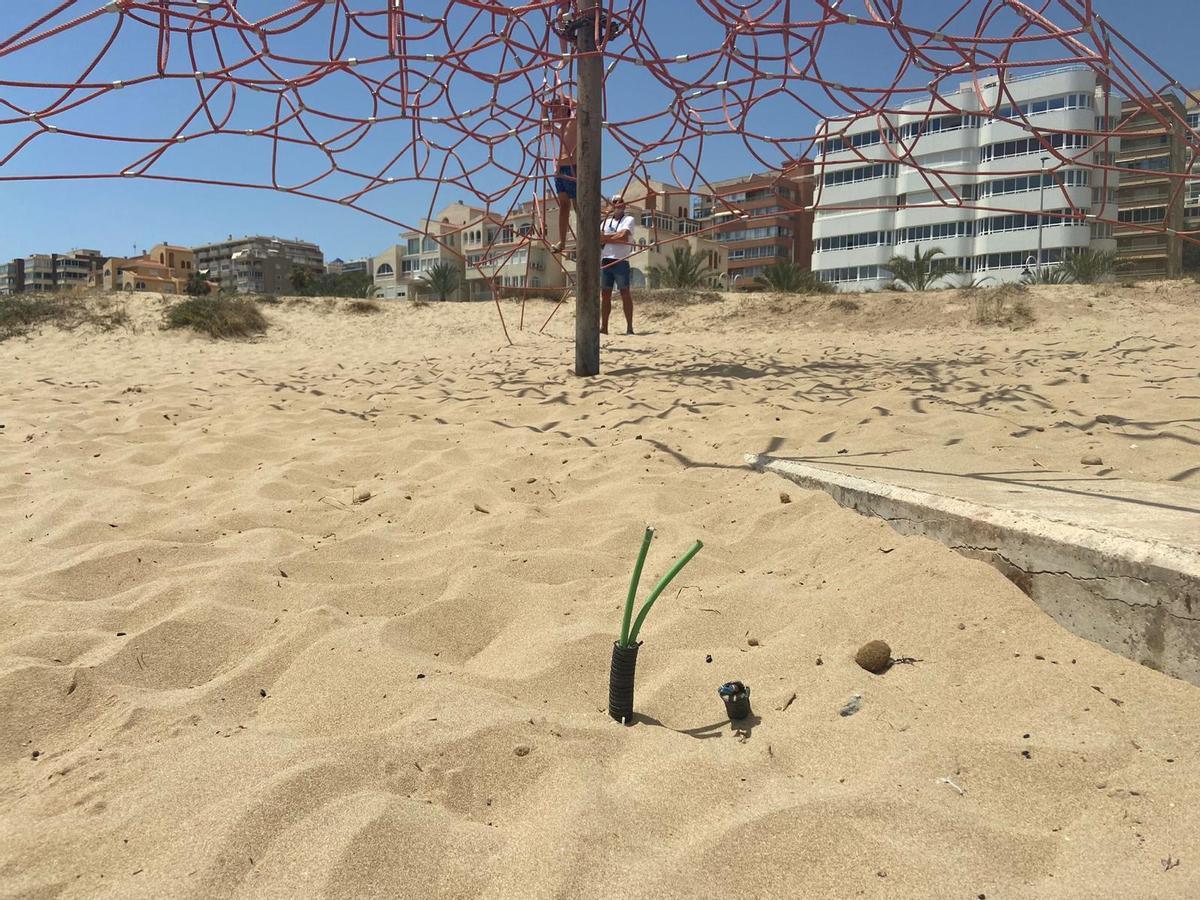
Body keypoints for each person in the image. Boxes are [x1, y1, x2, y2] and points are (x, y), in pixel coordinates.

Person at [543, 90, 577, 253]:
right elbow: (544, 124)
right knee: (564, 206)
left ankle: (589, 235)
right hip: (561, 170)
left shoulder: (573, 121)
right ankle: (562, 241)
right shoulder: (559, 127)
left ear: (565, 109)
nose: (553, 113)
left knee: (578, 205)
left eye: (556, 110)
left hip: (573, 167)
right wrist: (544, 108)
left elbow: (580, 105)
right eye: (552, 111)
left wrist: (563, 98)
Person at [600, 193, 636, 335]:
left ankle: (629, 327)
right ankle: (604, 327)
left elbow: (624, 236)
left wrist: (606, 238)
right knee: (605, 294)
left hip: (621, 260)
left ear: (624, 204)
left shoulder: (629, 219)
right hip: (606, 260)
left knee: (625, 292)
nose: (618, 204)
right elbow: (599, 240)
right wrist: (610, 239)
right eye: (615, 202)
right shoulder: (605, 222)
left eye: (620, 202)